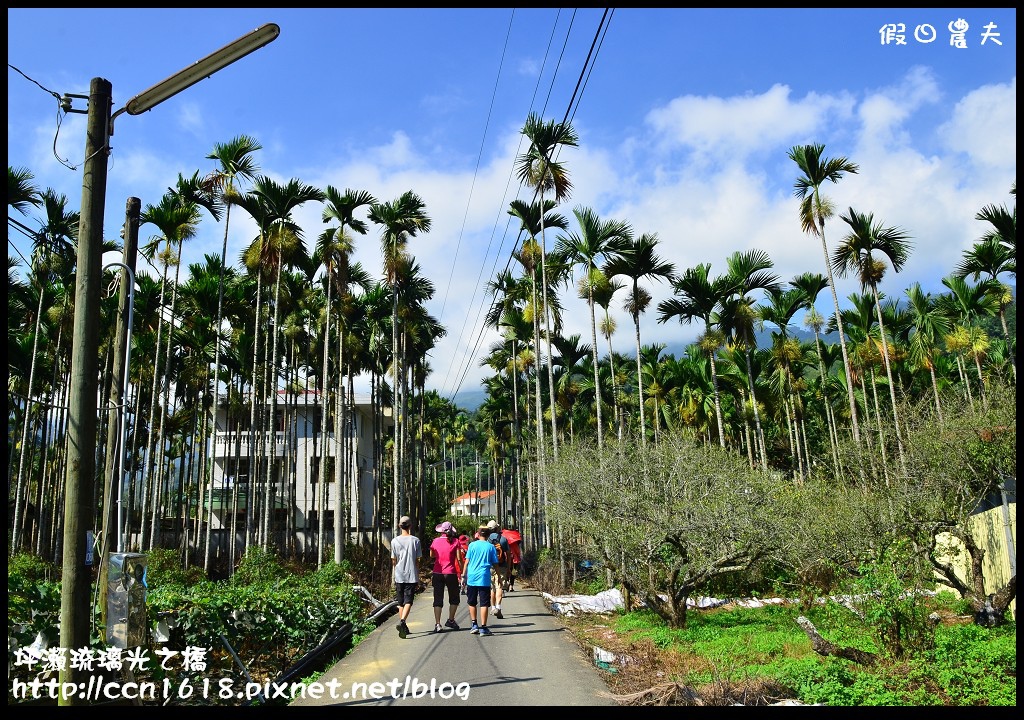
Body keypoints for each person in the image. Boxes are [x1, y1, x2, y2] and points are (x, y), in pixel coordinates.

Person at [461, 524, 498, 636]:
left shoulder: (472, 545)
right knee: (484, 603)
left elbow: (466, 561)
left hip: (472, 577)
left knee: (471, 602)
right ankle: (484, 627)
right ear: (488, 535)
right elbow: (495, 564)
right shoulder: (491, 547)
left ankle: (474, 625)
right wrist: (499, 578)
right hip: (484, 578)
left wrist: (463, 575)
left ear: (478, 533)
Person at [390, 515, 422, 639]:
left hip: (399, 574)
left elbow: (393, 559)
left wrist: (396, 570)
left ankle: (404, 626)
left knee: (401, 602)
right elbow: (417, 559)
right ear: (410, 526)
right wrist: (417, 572)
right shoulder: (415, 540)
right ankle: (402, 622)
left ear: (399, 526)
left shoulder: (394, 541)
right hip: (411, 573)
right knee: (409, 601)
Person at [429, 521, 462, 632]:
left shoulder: (435, 541)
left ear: (441, 530)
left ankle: (437, 624)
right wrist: (461, 571)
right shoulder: (456, 541)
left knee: (438, 599)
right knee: (454, 598)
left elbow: (432, 555)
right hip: (451, 573)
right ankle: (451, 620)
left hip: (437, 572)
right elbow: (459, 558)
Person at [486, 519, 512, 619]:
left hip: (490, 566)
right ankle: (498, 607)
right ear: (497, 528)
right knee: (499, 586)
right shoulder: (503, 539)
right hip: (501, 566)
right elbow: (508, 555)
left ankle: (493, 608)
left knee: (492, 588)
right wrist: (509, 568)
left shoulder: (487, 540)